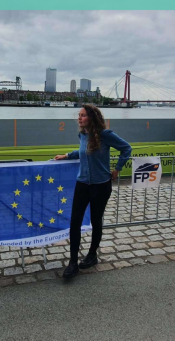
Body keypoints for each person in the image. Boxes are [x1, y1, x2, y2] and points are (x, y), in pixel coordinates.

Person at [54, 105, 132, 278]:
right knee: (75, 222)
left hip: (101, 185)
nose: (79, 118)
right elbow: (82, 152)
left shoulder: (105, 135)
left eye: (83, 115)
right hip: (82, 184)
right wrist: (66, 155)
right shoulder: (82, 135)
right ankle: (73, 262)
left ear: (92, 117)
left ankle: (92, 255)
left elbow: (126, 148)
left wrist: (117, 169)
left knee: (96, 220)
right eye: (79, 116)